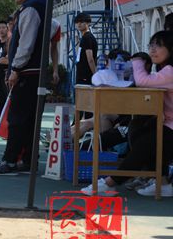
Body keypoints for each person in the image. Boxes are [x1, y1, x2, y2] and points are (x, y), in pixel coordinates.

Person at [81, 31, 173, 197]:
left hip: (170, 125)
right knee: (137, 131)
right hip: (167, 123)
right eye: (151, 45)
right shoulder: (165, 70)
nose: (153, 50)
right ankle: (162, 182)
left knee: (145, 143)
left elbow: (143, 81)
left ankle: (110, 183)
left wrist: (137, 61)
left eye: (158, 45)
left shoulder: (170, 71)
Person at [0, 0, 47, 176]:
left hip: (27, 72)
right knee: (29, 120)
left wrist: (16, 69)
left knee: (17, 119)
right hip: (35, 71)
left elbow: (26, 44)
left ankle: (10, 160)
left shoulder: (30, 10)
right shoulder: (41, 6)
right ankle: (28, 159)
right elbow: (54, 30)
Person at [74, 13, 98, 86]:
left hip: (85, 76)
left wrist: (95, 75)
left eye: (81, 21)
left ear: (88, 23)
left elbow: (90, 59)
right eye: (77, 22)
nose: (79, 24)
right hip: (84, 75)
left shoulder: (87, 37)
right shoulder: (86, 37)